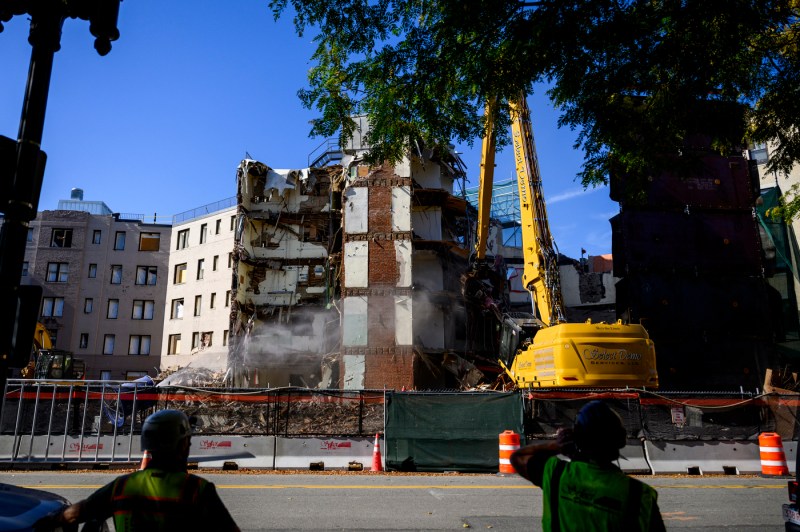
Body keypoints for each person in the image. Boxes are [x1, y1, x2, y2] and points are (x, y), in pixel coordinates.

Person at [38, 409, 240, 531]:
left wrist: (43, 522)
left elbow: (73, 515)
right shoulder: (198, 490)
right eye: (188, 440)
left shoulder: (122, 487)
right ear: (181, 445)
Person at [511, 400, 665, 531]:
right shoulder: (639, 495)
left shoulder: (556, 474)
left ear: (577, 438)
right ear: (620, 439)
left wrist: (556, 445)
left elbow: (518, 457)